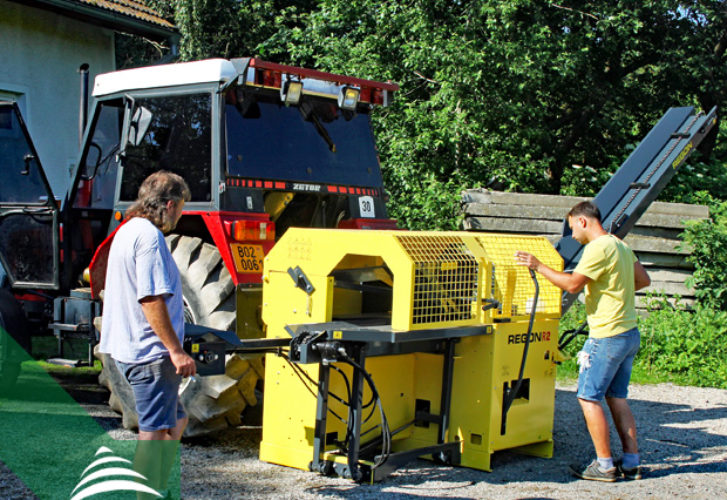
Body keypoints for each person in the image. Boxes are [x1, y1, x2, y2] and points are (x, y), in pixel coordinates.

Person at [515, 201, 650, 482]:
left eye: (572, 225)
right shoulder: (620, 245)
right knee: (617, 398)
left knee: (588, 397)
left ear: (583, 221)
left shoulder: (597, 248)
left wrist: (537, 265)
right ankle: (631, 461)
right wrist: (612, 286)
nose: (572, 233)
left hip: (607, 335)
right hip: (628, 333)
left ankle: (604, 466)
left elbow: (572, 284)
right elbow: (643, 280)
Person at [98, 170, 195, 497]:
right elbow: (150, 298)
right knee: (153, 433)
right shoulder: (150, 238)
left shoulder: (126, 231)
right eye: (180, 208)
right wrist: (175, 350)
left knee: (176, 421)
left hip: (127, 349)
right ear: (168, 205)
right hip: (150, 354)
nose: (180, 216)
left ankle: (157, 487)